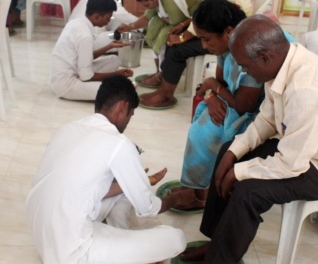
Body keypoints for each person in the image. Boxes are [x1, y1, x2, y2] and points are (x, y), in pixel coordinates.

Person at [179, 15, 318, 263]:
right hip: (308, 147)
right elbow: (267, 119)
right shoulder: (283, 62)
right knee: (229, 150)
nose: (242, 71)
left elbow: (291, 163)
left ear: (264, 58)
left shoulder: (308, 92)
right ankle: (216, 242)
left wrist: (239, 172)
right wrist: (233, 154)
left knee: (248, 191)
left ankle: (220, 259)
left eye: (245, 66)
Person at [26, 75, 196, 264]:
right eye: (130, 115)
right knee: (176, 239)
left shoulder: (67, 129)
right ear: (123, 107)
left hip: (44, 240)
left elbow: (89, 188)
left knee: (123, 192)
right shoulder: (119, 144)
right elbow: (148, 208)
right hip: (74, 252)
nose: (128, 121)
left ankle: (118, 245)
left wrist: (139, 182)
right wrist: (174, 199)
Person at [172, 0, 264, 210]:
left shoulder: (250, 47)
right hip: (238, 101)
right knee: (202, 120)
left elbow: (244, 105)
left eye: (206, 39)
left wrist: (212, 86)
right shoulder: (228, 45)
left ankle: (202, 192)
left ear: (228, 32)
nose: (204, 46)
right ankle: (194, 186)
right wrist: (211, 95)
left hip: (261, 112)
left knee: (208, 130)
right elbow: (222, 82)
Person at [118, 0, 210, 109]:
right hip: (198, 26)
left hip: (208, 30)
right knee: (156, 30)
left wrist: (181, 37)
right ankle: (161, 80)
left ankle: (166, 94)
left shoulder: (174, 2)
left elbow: (200, 18)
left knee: (174, 48)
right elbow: (148, 16)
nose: (143, 4)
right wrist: (130, 26)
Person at [50, 0, 133, 101]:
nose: (108, 22)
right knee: (112, 91)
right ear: (97, 16)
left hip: (75, 70)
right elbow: (86, 77)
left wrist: (109, 46)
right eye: (107, 18)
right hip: (66, 84)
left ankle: (93, 85)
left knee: (114, 60)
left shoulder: (77, 22)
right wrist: (116, 75)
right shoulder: (85, 36)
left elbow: (85, 58)